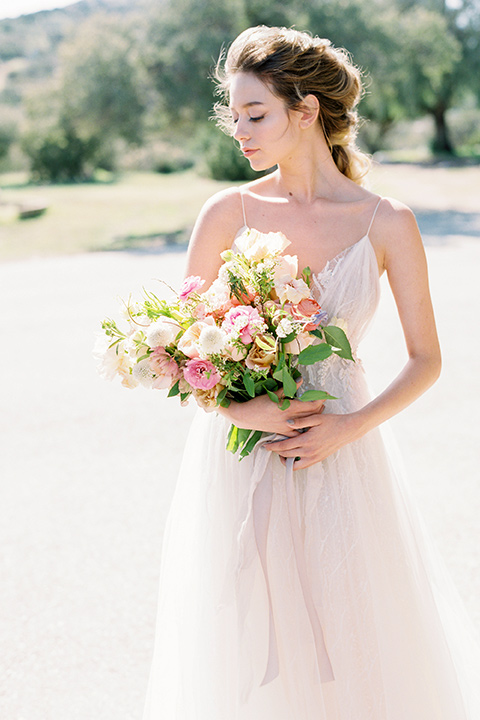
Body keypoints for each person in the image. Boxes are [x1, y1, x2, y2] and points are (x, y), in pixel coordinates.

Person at [142, 25, 480, 720]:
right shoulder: (226, 213)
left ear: (307, 111)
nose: (239, 129)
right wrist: (244, 411)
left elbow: (428, 359)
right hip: (244, 456)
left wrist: (348, 428)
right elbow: (177, 349)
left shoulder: (386, 222)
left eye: (255, 113)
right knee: (246, 648)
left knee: (349, 643)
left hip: (345, 459)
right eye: (232, 115)